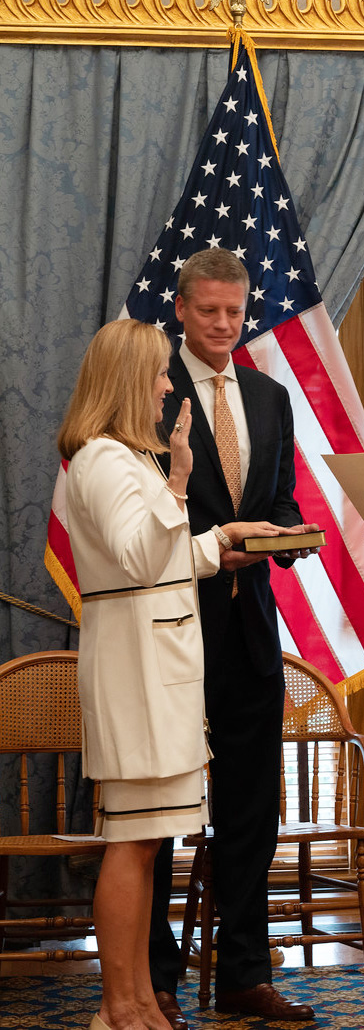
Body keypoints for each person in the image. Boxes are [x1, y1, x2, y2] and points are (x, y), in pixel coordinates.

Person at [148, 249, 319, 1027]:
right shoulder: (147, 391)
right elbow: (142, 513)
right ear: (179, 308)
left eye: (235, 310)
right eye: (209, 310)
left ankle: (245, 971)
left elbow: (278, 498)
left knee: (253, 808)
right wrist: (221, 540)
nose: (223, 324)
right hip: (170, 630)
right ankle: (156, 978)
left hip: (251, 626)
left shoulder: (269, 395)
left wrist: (291, 536)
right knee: (155, 811)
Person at [58, 319, 217, 1030]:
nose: (165, 386)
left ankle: (142, 998)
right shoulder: (103, 460)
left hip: (155, 668)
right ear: (126, 381)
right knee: (132, 838)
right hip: (138, 675)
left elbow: (159, 559)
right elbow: (132, 553)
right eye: (157, 374)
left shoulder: (123, 458)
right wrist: (181, 479)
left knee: (149, 837)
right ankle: (119, 1006)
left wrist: (224, 543)